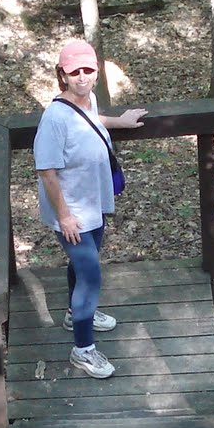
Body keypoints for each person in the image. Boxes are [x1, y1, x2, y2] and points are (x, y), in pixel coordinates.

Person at [33, 39, 147, 378]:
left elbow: (89, 121)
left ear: (96, 72)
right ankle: (83, 350)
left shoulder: (88, 101)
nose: (82, 77)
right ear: (62, 75)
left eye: (88, 70)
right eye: (74, 72)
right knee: (90, 274)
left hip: (91, 200)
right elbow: (46, 171)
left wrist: (119, 122)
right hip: (70, 210)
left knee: (83, 265)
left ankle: (74, 313)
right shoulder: (54, 117)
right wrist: (65, 216)